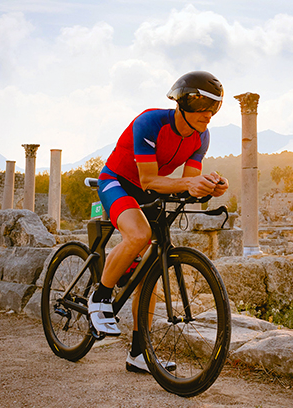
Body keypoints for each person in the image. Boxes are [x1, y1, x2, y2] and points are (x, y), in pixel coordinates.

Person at [89, 71, 229, 373]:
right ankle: (100, 297)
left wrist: (209, 186)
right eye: (203, 106)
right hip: (118, 181)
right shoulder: (151, 122)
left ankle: (139, 352)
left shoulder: (200, 137)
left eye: (215, 108)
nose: (209, 115)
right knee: (139, 234)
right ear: (184, 103)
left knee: (152, 266)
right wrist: (190, 184)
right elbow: (149, 178)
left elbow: (187, 183)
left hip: (150, 189)